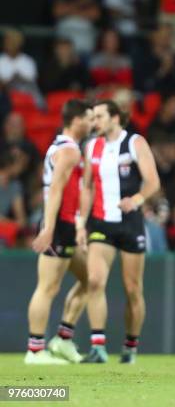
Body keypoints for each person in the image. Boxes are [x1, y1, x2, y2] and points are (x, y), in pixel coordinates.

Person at [77, 100, 160, 364]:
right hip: (101, 224)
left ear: (115, 117)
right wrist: (81, 222)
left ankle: (130, 346)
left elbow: (152, 181)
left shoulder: (134, 142)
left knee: (133, 289)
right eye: (93, 118)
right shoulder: (91, 146)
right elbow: (87, 187)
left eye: (99, 116)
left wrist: (135, 200)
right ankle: (98, 346)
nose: (94, 122)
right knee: (94, 281)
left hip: (130, 223)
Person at [25, 99, 92, 364]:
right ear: (76, 120)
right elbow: (55, 190)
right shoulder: (70, 151)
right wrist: (49, 229)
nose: (91, 123)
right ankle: (35, 350)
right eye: (88, 117)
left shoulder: (61, 146)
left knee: (92, 280)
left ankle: (62, 339)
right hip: (58, 225)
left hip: (66, 225)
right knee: (47, 287)